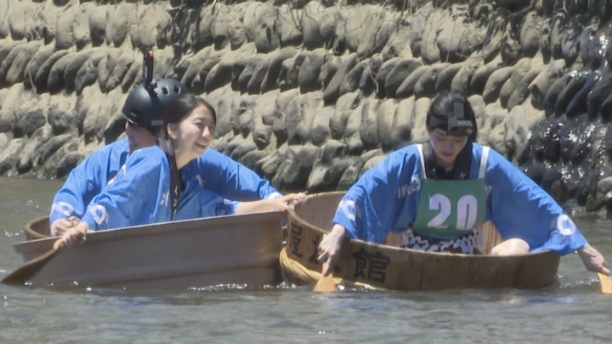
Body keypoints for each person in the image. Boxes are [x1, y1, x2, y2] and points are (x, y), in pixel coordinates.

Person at [317, 91, 609, 277]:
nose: (448, 148)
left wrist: (581, 247)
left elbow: (534, 200)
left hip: (469, 258)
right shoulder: (409, 162)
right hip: (416, 255)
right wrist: (336, 234)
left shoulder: (485, 164)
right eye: (440, 139)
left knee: (519, 243)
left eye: (457, 141)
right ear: (429, 132)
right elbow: (365, 192)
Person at [54, 93, 305, 248]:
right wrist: (81, 228)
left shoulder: (189, 178)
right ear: (171, 130)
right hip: (112, 274)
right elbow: (114, 200)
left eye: (211, 128)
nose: (206, 134)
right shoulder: (152, 160)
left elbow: (226, 208)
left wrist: (279, 205)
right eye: (199, 125)